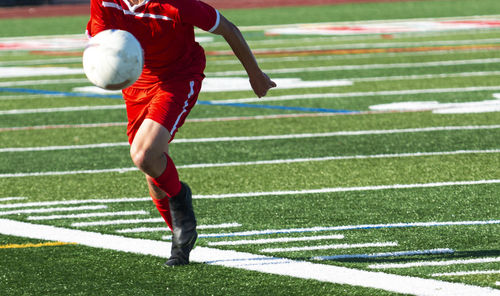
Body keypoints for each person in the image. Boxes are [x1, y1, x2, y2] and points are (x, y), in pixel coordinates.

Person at [86, 0, 276, 266]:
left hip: (177, 79)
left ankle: (180, 202)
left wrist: (255, 74)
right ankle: (180, 240)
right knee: (152, 167)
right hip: (136, 85)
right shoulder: (105, 2)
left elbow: (229, 29)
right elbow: (101, 42)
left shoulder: (176, 5)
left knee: (144, 154)